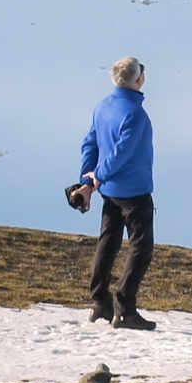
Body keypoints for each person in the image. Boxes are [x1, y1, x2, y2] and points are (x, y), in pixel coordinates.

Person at [77, 56, 158, 330]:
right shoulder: (135, 114)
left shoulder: (103, 107)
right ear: (138, 79)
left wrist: (86, 180)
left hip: (109, 191)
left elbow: (90, 143)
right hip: (133, 191)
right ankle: (125, 308)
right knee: (141, 246)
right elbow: (121, 153)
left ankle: (100, 301)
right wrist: (97, 177)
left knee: (108, 242)